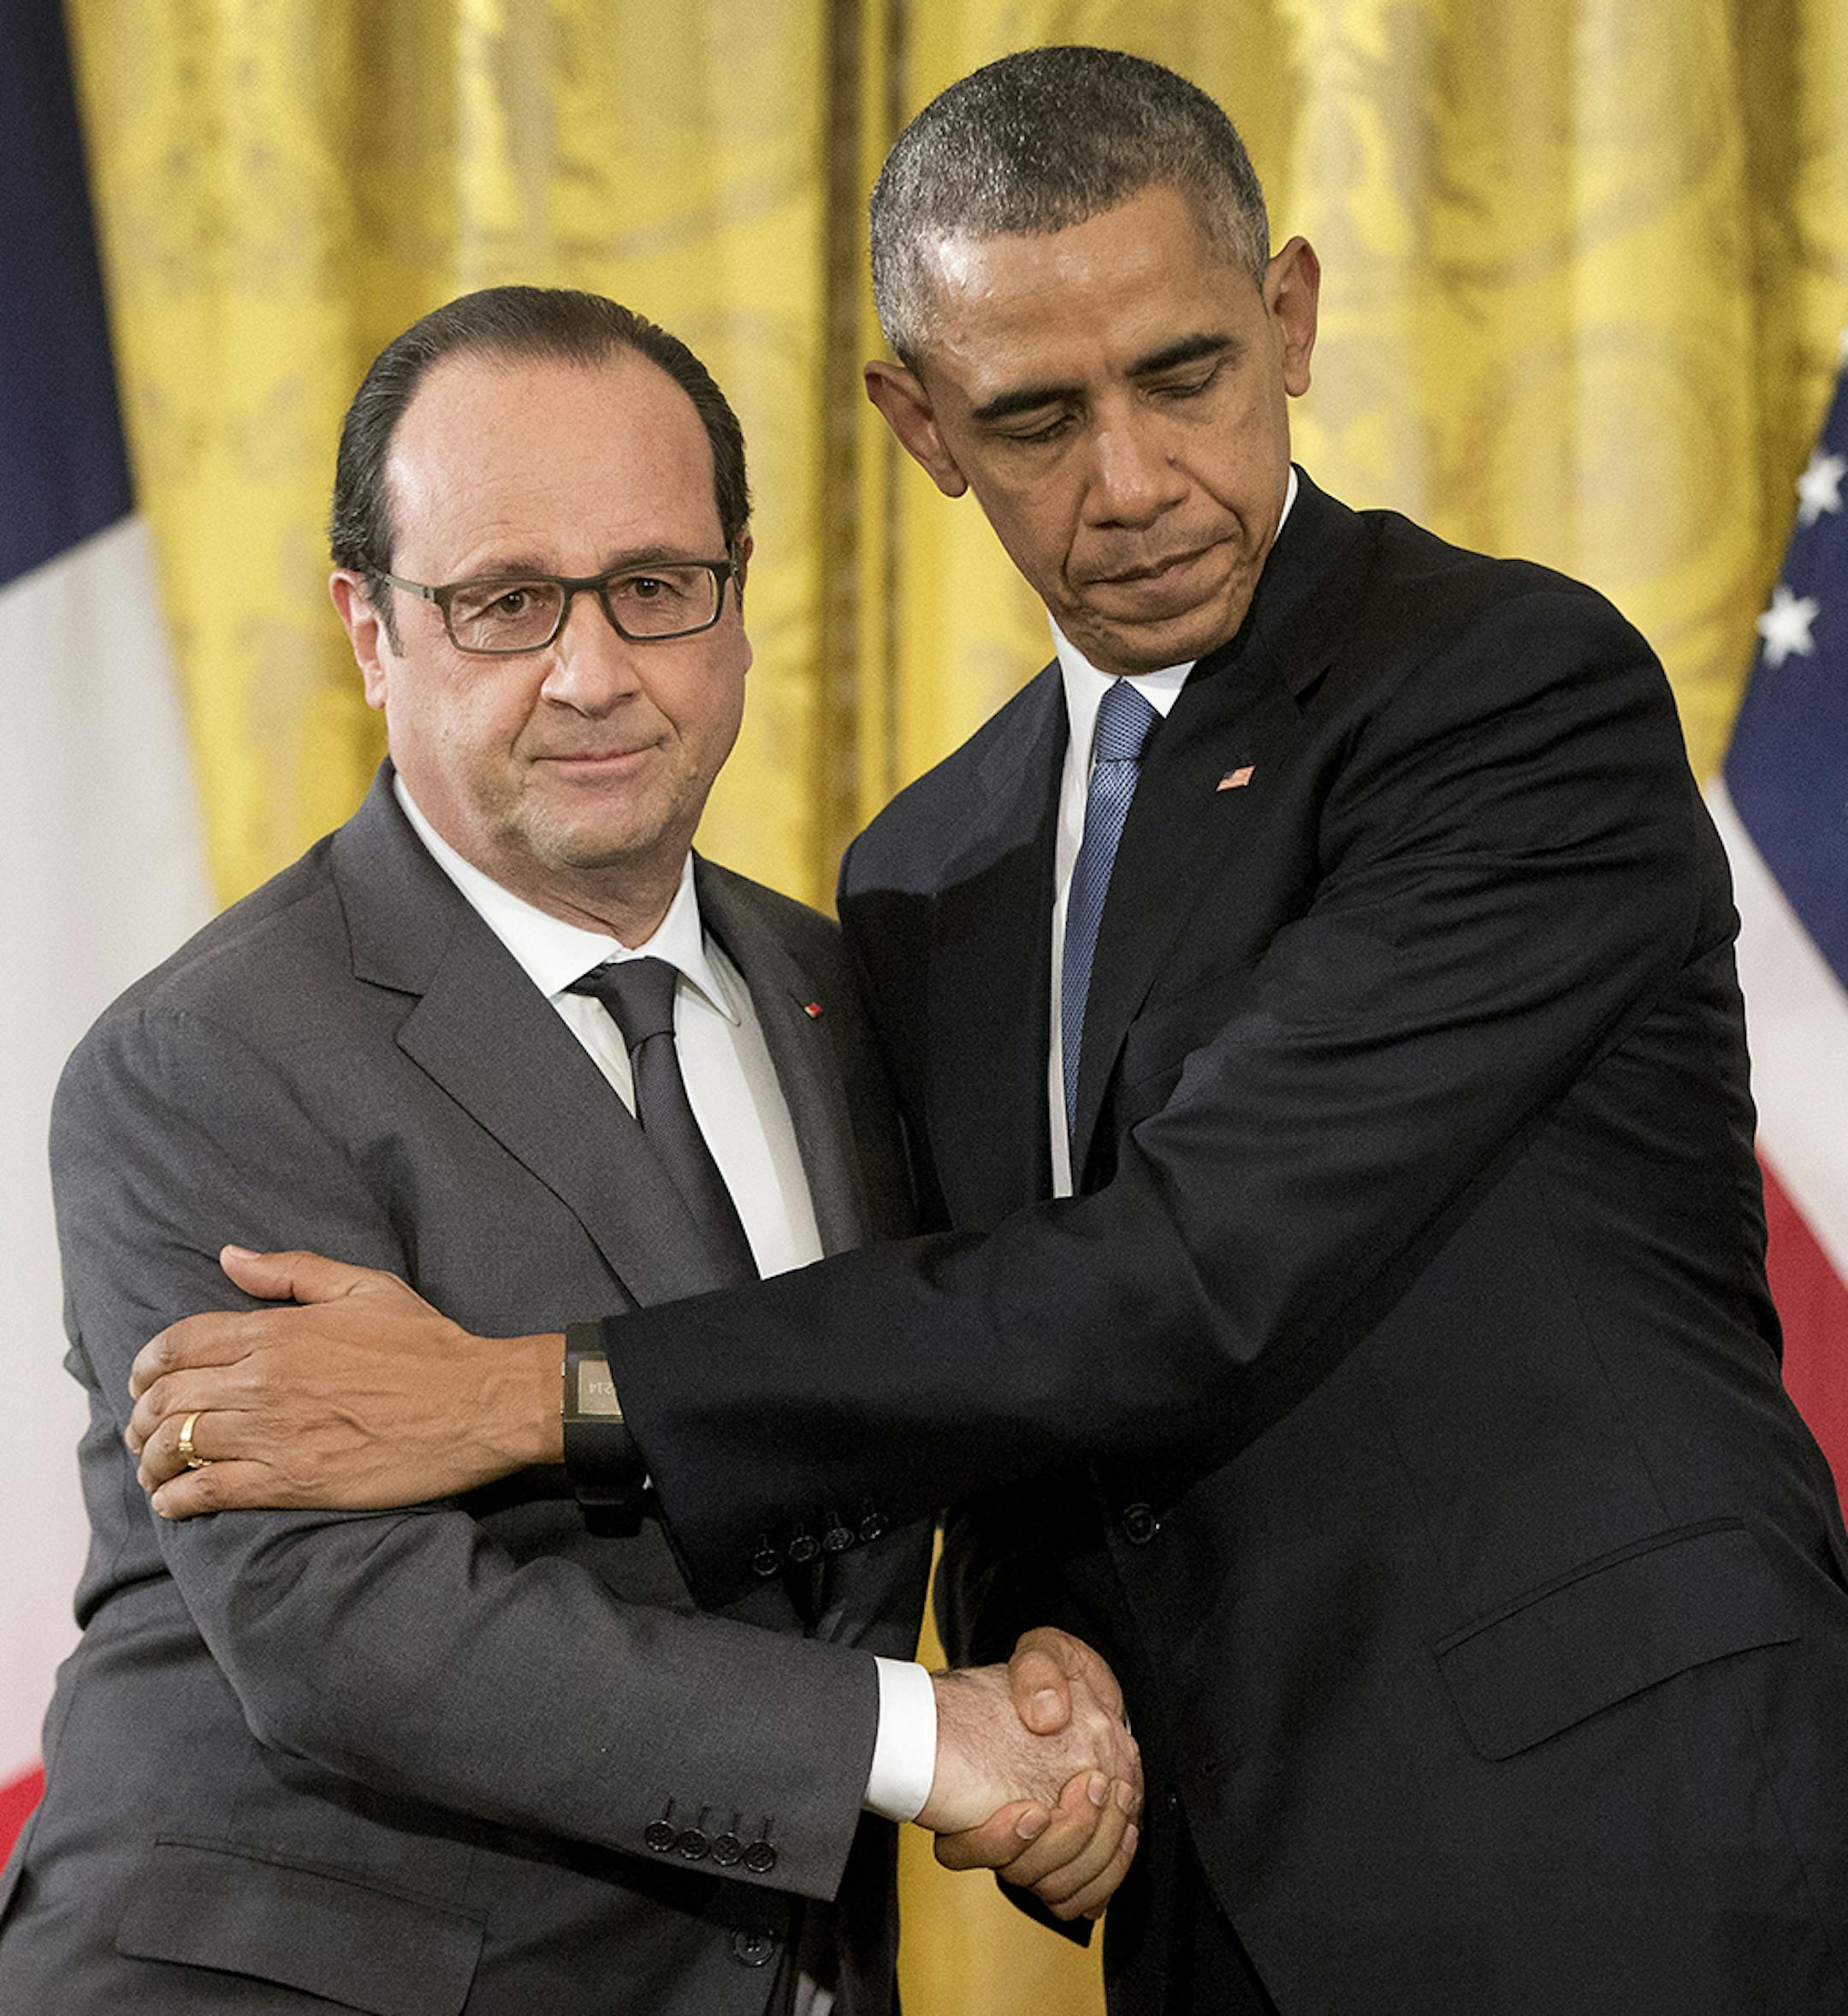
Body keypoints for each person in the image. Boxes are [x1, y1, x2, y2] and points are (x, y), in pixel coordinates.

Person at [127, 50, 1848, 2015]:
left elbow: (1196, 1267)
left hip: (1619, 1849)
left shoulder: (1505, 695)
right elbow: (998, 1357)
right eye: (1032, 415)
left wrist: (536, 1394)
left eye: (1184, 374)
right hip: (1209, 1890)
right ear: (918, 423)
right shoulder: (929, 870)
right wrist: (1041, 1661)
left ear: (1288, 319)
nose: (1127, 482)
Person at [0, 284, 1143, 2016]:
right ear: (371, 631)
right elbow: (349, 1627)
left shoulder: (858, 993)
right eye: (505, 602)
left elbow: (922, 1391)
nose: (593, 670)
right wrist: (925, 1737)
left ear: (738, 606)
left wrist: (1039, 1651)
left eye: (655, 588)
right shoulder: (206, 1064)